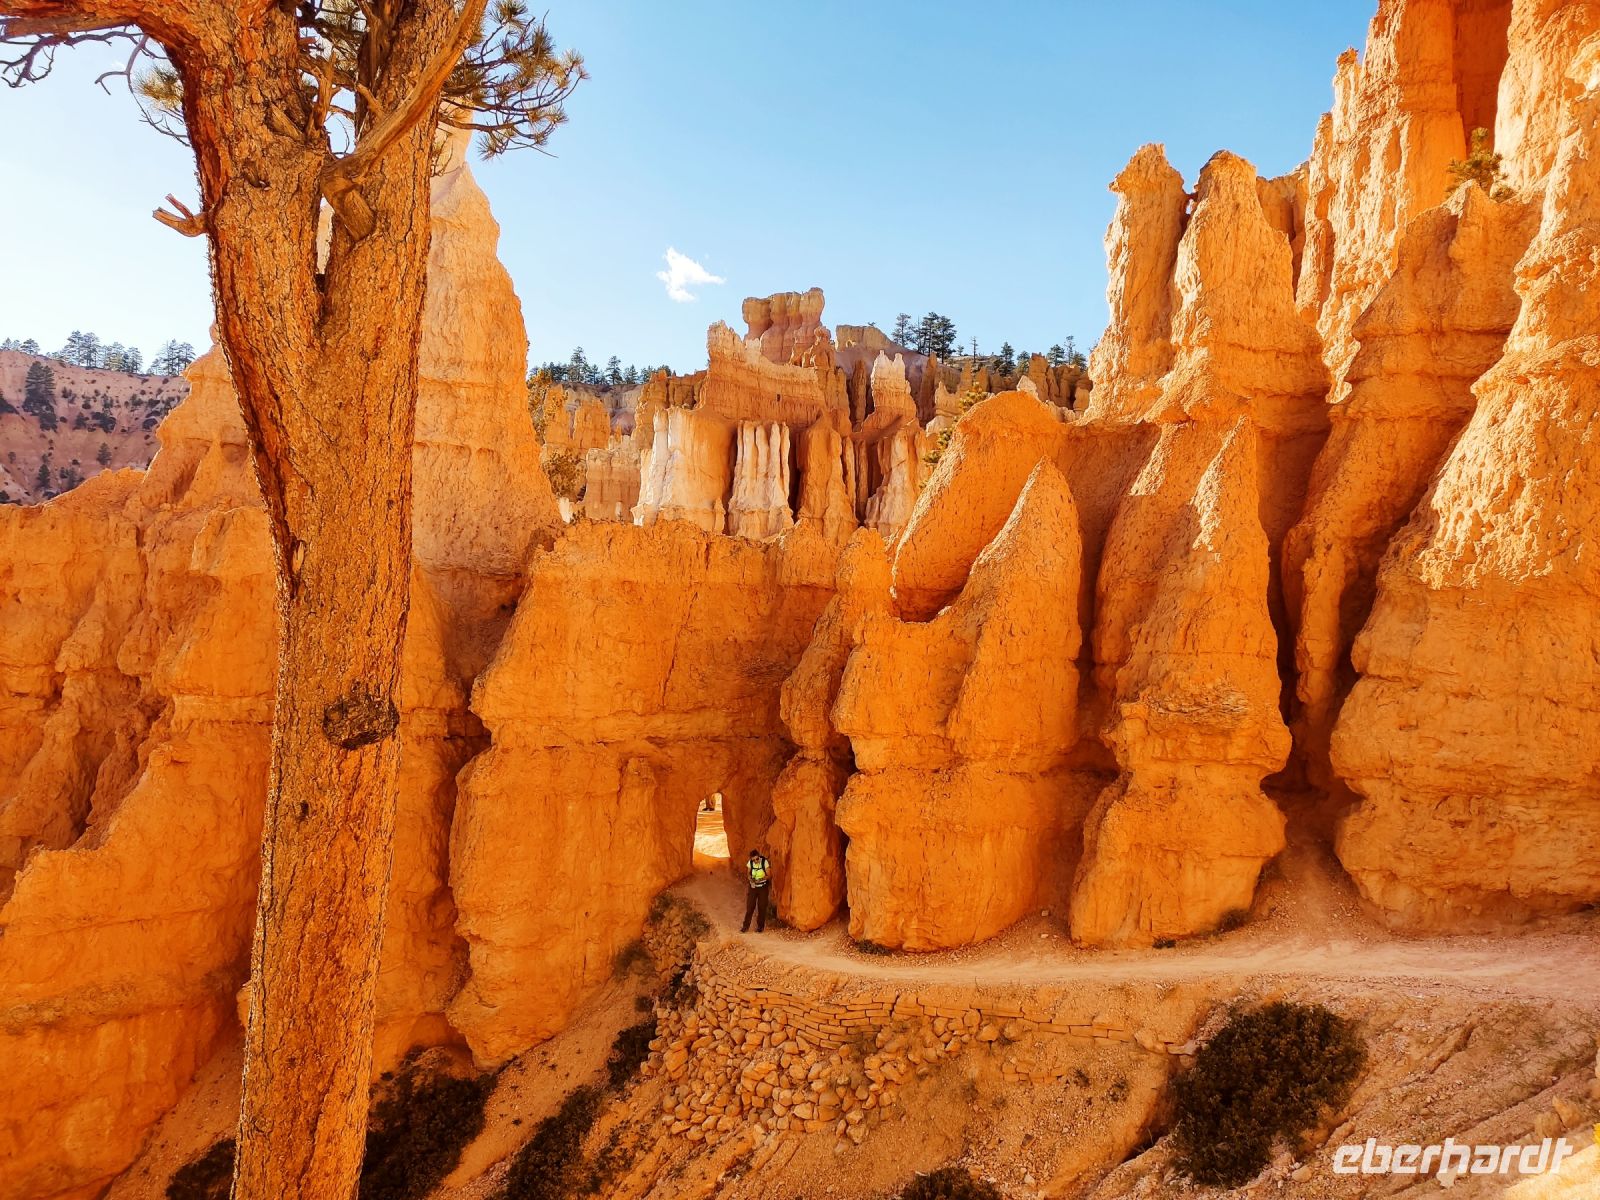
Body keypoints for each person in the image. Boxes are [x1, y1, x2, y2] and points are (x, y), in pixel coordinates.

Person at [741, 847, 772, 933]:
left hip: (763, 887)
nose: (756, 861)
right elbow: (748, 873)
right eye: (753, 860)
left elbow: (769, 875)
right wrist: (750, 879)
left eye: (757, 859)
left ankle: (760, 927)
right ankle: (745, 926)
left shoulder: (764, 862)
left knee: (762, 907)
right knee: (750, 907)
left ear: (759, 856)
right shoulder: (750, 863)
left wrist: (761, 879)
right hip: (753, 887)